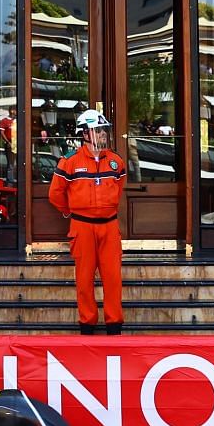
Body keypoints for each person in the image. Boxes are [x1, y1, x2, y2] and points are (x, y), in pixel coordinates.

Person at [49, 107, 126, 334]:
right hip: (81, 227)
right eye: (97, 130)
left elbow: (119, 188)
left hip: (110, 227)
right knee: (84, 279)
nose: (103, 135)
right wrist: (70, 210)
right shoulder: (69, 162)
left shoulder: (116, 162)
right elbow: (55, 194)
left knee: (113, 278)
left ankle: (114, 324)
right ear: (84, 134)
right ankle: (87, 324)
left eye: (104, 130)